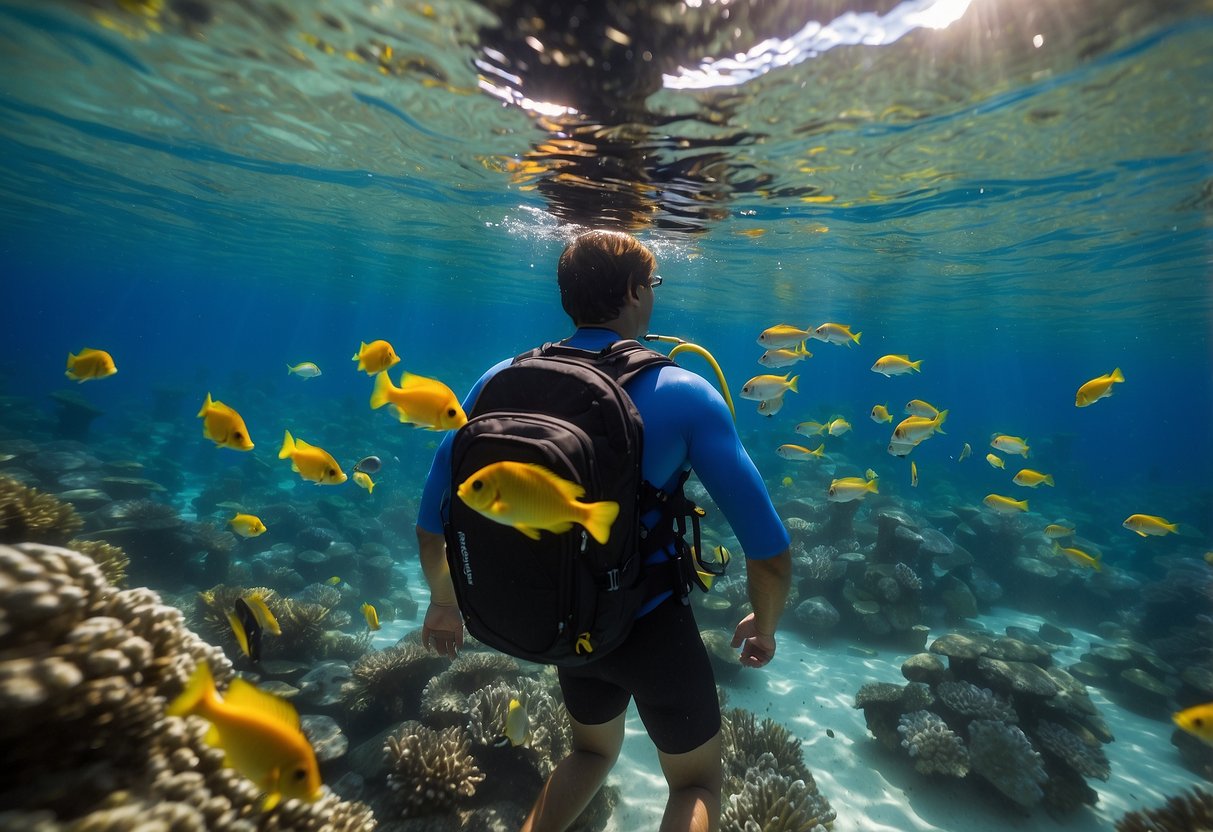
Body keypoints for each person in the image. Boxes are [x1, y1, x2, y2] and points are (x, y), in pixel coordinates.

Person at [415, 229, 792, 832]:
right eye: (654, 285)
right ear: (635, 291)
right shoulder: (683, 393)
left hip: (568, 620)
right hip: (652, 629)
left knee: (590, 752)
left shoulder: (496, 381)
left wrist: (442, 603)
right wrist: (765, 623)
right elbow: (769, 553)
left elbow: (433, 521)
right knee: (695, 782)